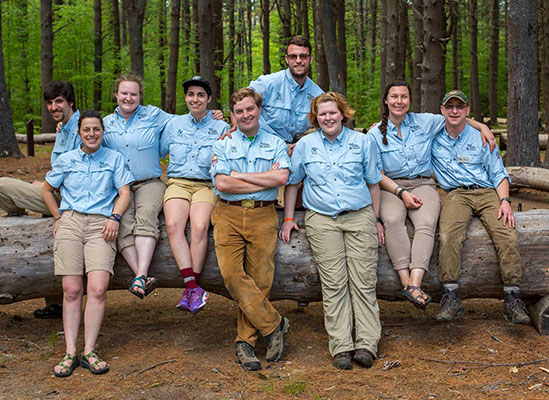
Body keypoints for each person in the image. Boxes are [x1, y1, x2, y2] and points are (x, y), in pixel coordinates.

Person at [367, 81, 496, 309]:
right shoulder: (375, 133)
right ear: (386, 101)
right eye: (394, 97)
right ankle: (405, 282)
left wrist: (483, 127)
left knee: (427, 222)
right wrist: (401, 193)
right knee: (393, 220)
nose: (399, 101)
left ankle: (416, 284)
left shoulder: (424, 122)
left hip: (422, 183)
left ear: (409, 100)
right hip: (390, 186)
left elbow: (456, 117)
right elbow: (375, 173)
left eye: (404, 97)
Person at [280, 92, 383, 370]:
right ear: (316, 118)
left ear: (343, 114)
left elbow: (373, 183)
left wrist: (375, 219)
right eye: (322, 114)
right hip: (322, 220)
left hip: (359, 216)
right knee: (334, 283)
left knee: (363, 282)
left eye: (333, 113)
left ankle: (366, 344)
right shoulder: (306, 145)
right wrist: (288, 217)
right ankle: (341, 345)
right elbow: (292, 183)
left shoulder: (362, 142)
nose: (328, 118)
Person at [42, 110, 134, 377]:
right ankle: (70, 351)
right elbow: (47, 189)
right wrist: (58, 216)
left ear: (102, 132)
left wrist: (115, 217)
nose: (92, 134)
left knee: (97, 288)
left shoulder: (114, 158)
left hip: (101, 226)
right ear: (79, 133)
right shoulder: (67, 159)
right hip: (70, 222)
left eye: (96, 129)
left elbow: (124, 192)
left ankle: (89, 351)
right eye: (86, 130)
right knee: (71, 290)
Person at [431, 90, 530, 325]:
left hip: (487, 192)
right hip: (456, 194)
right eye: (450, 107)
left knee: (506, 232)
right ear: (442, 110)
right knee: (447, 235)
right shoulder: (432, 138)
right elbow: (404, 123)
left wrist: (505, 201)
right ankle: (451, 296)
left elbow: (499, 174)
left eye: (460, 107)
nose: (454, 111)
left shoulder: (481, 138)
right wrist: (379, 125)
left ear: (467, 111)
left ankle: (513, 298)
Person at [210, 88, 290, 371]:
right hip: (227, 214)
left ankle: (244, 343)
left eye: (250, 109)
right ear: (233, 115)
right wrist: (262, 180)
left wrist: (240, 175)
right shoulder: (222, 144)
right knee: (232, 276)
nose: (245, 115)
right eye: (239, 111)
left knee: (260, 280)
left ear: (258, 110)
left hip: (263, 215)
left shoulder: (275, 142)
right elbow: (222, 184)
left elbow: (281, 177)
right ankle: (275, 324)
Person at [0, 80, 81, 319]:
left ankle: (17, 224)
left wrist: (50, 185)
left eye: (59, 101)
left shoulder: (80, 128)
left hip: (69, 197)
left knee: (3, 185)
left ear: (70, 102)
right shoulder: (63, 128)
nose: (54, 106)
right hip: (56, 192)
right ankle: (55, 301)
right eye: (50, 102)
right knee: (48, 229)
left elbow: (83, 168)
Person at [160, 76, 229, 314]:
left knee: (200, 227)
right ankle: (191, 287)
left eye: (201, 95)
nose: (195, 99)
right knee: (172, 225)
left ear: (209, 99)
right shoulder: (174, 124)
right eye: (191, 94)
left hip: (206, 185)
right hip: (178, 182)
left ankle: (194, 285)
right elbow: (156, 149)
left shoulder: (221, 127)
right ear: (186, 98)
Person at [102, 74, 173, 299]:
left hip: (149, 182)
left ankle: (140, 275)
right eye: (124, 93)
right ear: (116, 94)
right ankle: (141, 277)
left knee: (147, 213)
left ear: (140, 96)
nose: (128, 98)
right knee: (121, 221)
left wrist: (212, 114)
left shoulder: (153, 114)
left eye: (133, 94)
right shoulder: (106, 123)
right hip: (120, 186)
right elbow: (89, 142)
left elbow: (183, 121)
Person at [249, 35, 324, 143]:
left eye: (303, 56)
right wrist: (236, 128)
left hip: (295, 148)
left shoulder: (317, 95)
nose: (298, 61)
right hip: (262, 144)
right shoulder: (268, 84)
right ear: (287, 59)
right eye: (293, 56)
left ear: (310, 59)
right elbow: (239, 102)